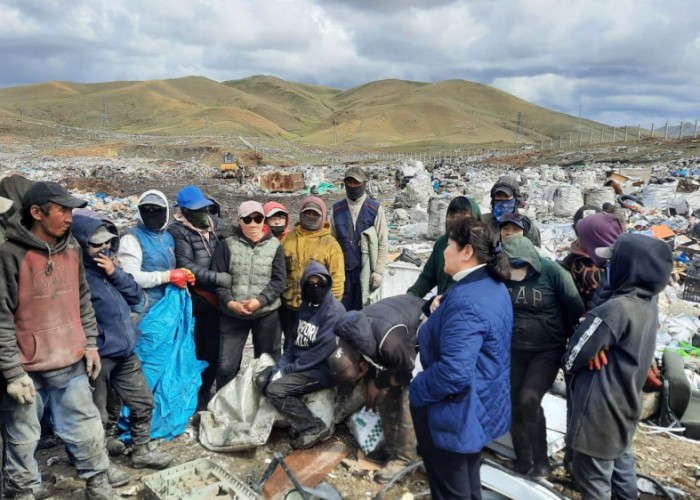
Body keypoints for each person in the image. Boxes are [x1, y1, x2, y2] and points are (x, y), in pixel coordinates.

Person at [0, 182, 118, 499]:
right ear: (37, 212)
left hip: (71, 360)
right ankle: (23, 491)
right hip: (28, 370)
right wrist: (12, 373)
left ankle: (98, 483)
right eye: (62, 210)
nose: (69, 218)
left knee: (87, 427)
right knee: (23, 439)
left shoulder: (71, 249)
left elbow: (82, 300)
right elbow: (2, 317)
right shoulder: (10, 255)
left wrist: (90, 343)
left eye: (71, 210)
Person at [409, 218, 512, 499]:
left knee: (450, 490)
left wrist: (417, 388)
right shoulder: (491, 286)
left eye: (449, 245)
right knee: (466, 484)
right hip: (477, 405)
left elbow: (454, 372)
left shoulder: (468, 300)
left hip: (453, 415)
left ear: (466, 252)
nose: (443, 251)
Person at [563, 234, 673, 499]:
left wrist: (575, 355)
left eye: (612, 262)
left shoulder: (615, 309)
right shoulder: (647, 306)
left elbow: (573, 355)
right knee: (622, 467)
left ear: (629, 269)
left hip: (597, 412)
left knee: (594, 480)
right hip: (625, 406)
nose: (606, 268)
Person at [71, 211, 172, 470]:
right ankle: (100, 465)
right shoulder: (76, 275)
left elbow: (136, 294)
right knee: (98, 413)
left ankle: (141, 451)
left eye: (107, 241)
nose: (104, 247)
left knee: (142, 401)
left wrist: (115, 272)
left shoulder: (109, 268)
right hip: (98, 355)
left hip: (124, 350)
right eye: (97, 243)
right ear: (81, 244)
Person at [502, 235, 584, 479]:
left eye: (520, 265)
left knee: (529, 399)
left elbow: (575, 308)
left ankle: (541, 463)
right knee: (513, 402)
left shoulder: (553, 273)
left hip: (546, 350)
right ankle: (522, 459)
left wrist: (560, 338)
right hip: (514, 348)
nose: (516, 271)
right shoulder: (501, 275)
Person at [330, 294, 426, 483]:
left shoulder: (389, 345)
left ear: (362, 365)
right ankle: (393, 447)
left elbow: (411, 372)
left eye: (359, 376)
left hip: (426, 344)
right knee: (382, 394)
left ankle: (405, 459)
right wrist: (371, 382)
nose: (361, 378)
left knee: (409, 397)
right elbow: (374, 362)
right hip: (400, 340)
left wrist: (378, 382)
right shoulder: (350, 337)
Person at [256, 263, 345, 449]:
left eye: (319, 283)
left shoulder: (333, 312)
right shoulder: (305, 307)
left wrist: (287, 370)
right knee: (262, 379)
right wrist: (279, 368)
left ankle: (312, 426)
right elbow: (291, 344)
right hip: (300, 365)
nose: (315, 288)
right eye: (310, 284)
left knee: (275, 390)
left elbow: (319, 353)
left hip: (321, 370)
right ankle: (288, 418)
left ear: (327, 284)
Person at [211, 201, 286, 388]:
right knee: (226, 366)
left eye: (258, 218)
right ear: (240, 220)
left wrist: (260, 301)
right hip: (232, 315)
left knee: (267, 364)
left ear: (263, 220)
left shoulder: (275, 246)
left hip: (266, 314)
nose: (253, 223)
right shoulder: (226, 246)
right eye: (248, 219)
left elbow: (279, 280)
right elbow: (219, 280)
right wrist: (230, 303)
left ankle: (265, 404)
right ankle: (224, 406)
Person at [168, 185, 228, 409]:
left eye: (204, 209)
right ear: (183, 211)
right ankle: (196, 394)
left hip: (218, 299)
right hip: (196, 299)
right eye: (195, 211)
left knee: (215, 349)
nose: (201, 214)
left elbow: (233, 230)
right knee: (195, 349)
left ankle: (206, 389)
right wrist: (218, 278)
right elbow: (186, 264)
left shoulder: (215, 225)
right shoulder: (178, 231)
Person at [118, 189, 194, 314]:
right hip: (144, 309)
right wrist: (167, 276)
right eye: (146, 210)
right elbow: (129, 277)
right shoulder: (131, 239)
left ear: (166, 211)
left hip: (167, 305)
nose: (151, 214)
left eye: (157, 210)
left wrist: (183, 274)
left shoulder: (167, 237)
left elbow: (170, 267)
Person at [280, 197, 345, 343]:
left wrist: (330, 308)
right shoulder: (287, 239)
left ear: (322, 216)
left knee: (312, 345)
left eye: (315, 214)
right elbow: (278, 271)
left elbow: (338, 280)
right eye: (307, 213)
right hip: (289, 306)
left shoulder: (330, 244)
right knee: (290, 344)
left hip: (317, 308)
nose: (311, 217)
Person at [331, 166, 388, 311]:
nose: (352, 186)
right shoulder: (335, 210)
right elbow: (331, 243)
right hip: (343, 273)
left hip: (367, 272)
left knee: (364, 313)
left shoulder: (375, 209)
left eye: (356, 183)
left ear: (363, 183)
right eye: (349, 182)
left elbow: (382, 242)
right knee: (341, 312)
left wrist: (378, 272)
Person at [407, 196, 481, 300]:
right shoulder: (441, 243)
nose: (456, 221)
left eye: (463, 216)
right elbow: (428, 277)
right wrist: (411, 295)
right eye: (452, 216)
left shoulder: (481, 246)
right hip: (442, 307)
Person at [561, 205, 603, 310]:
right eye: (584, 230)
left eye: (594, 229)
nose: (589, 235)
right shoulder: (570, 263)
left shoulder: (615, 257)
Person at [482, 176, 541, 247]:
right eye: (499, 196)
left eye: (506, 196)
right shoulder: (484, 222)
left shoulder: (527, 225)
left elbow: (533, 253)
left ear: (516, 199)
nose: (502, 200)